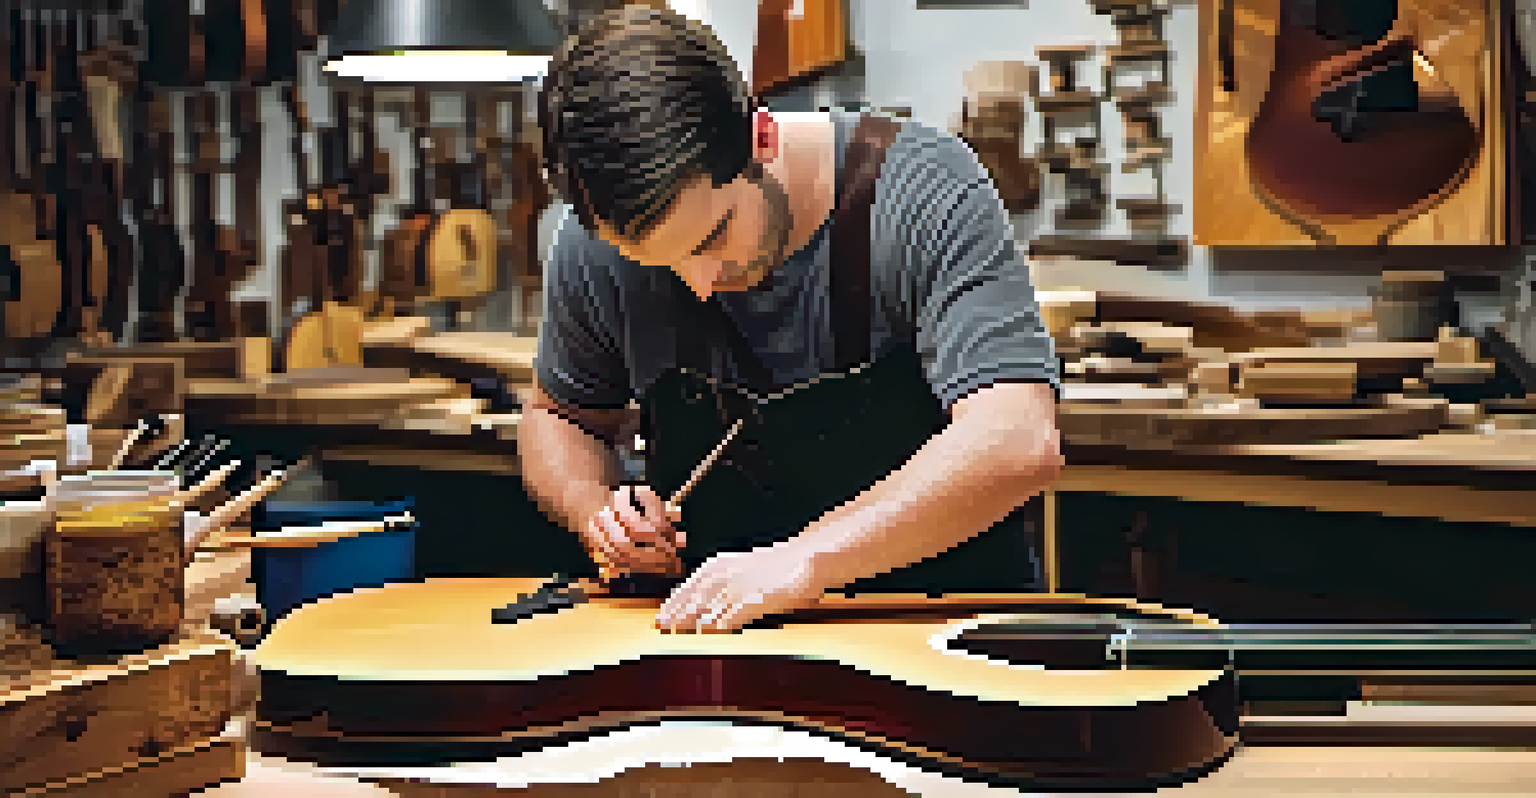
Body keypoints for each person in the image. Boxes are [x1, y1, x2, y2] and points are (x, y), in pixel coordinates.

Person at [520, 6, 1061, 634]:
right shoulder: (594, 246)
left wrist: (806, 561)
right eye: (656, 263)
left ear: (762, 137)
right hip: (721, 649)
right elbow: (558, 418)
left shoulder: (923, 190)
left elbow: (1018, 438)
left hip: (937, 637)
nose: (698, 282)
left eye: (714, 234)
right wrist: (599, 512)